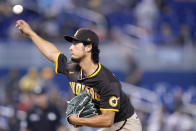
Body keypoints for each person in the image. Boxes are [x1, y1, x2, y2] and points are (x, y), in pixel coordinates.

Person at [16, 20, 142, 131]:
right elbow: (52, 53)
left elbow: (108, 120)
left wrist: (78, 120)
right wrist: (31, 34)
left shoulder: (106, 80)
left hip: (126, 125)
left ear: (88, 48)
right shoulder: (72, 69)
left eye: (76, 44)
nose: (71, 48)